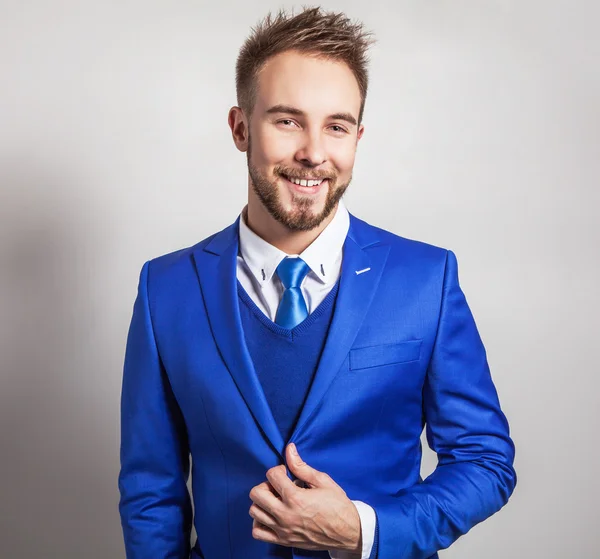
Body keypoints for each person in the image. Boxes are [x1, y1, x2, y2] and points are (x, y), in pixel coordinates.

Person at [117, 7, 516, 559]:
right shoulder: (166, 291)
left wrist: (364, 530)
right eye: (287, 120)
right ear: (239, 128)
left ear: (357, 135)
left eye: (336, 125)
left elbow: (485, 460)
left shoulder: (427, 279)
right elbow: (151, 489)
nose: (313, 151)